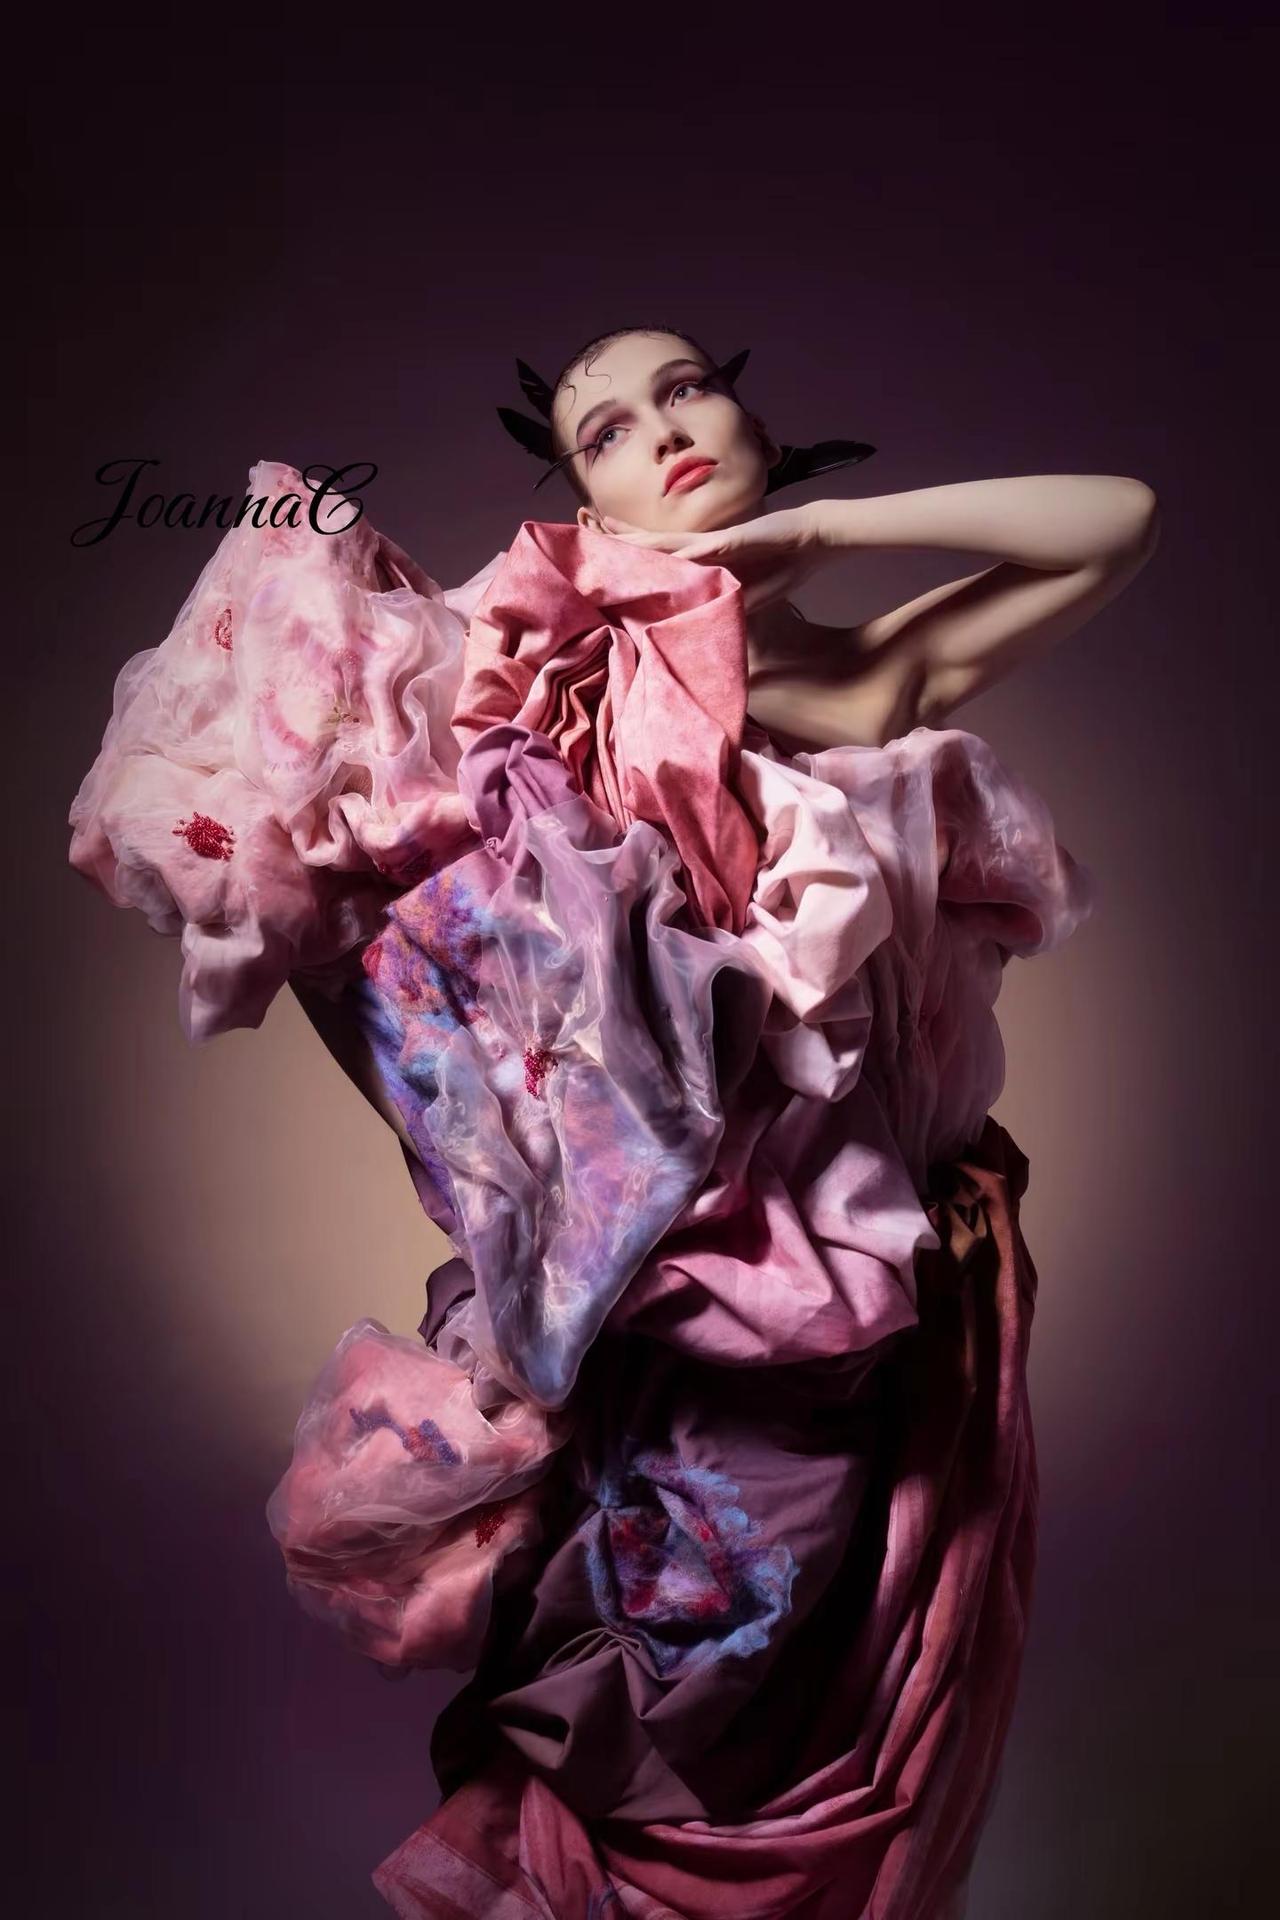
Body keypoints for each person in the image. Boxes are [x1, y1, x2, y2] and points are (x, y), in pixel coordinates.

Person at [67, 325, 1159, 1919]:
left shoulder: (870, 679)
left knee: (842, 1700)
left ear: (750, 417)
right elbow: (395, 966)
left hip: (889, 1290)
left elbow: (1117, 518)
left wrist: (806, 538)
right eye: (604, 432)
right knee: (687, 1699)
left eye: (684, 389)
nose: (661, 430)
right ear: (583, 505)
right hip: (674, 1304)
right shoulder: (533, 702)